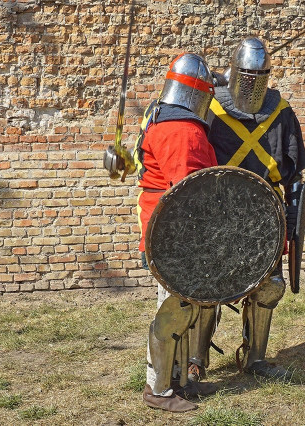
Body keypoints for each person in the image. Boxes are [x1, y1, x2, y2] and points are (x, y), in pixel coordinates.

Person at [186, 37, 305, 383]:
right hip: (218, 209)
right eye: (247, 74)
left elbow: (294, 174)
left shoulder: (281, 111)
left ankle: (256, 358)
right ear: (234, 71)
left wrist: (291, 221)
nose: (253, 82)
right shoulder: (210, 106)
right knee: (206, 284)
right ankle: (196, 359)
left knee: (270, 286)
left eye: (260, 75)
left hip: (265, 213)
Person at [132, 52, 218, 412]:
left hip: (169, 230)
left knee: (187, 306)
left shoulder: (160, 116)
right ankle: (159, 389)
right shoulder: (182, 130)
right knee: (174, 309)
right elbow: (191, 192)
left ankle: (179, 381)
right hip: (174, 234)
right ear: (198, 94)